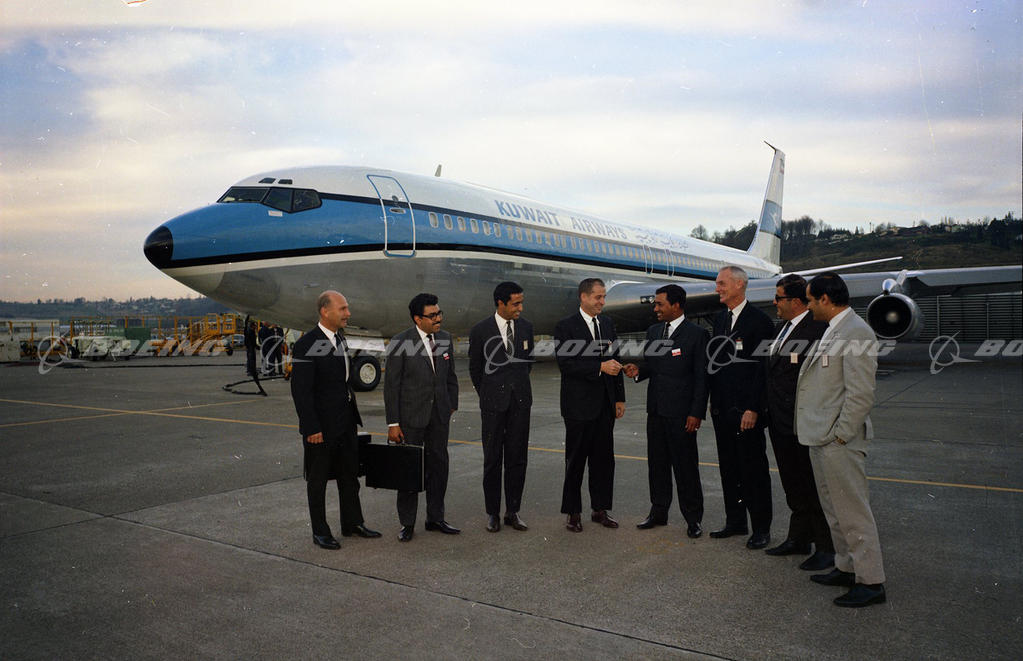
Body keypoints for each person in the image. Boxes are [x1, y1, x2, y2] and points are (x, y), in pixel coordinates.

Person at [797, 272, 886, 607]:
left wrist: (841, 435)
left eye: (810, 300)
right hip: (822, 436)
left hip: (839, 440)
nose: (807, 306)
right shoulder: (834, 329)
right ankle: (847, 567)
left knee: (853, 511)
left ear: (825, 299)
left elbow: (860, 394)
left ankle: (871, 581)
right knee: (835, 510)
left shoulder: (856, 331)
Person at [290, 291, 380, 550]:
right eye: (342, 309)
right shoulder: (307, 343)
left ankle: (353, 523)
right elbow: (301, 392)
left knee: (349, 476)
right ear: (325, 311)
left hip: (345, 422)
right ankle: (320, 532)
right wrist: (311, 427)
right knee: (318, 481)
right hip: (320, 427)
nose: (348, 313)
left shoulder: (340, 339)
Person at [623, 284, 709, 538]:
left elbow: (702, 377)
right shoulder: (654, 331)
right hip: (656, 410)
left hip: (682, 414)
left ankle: (693, 518)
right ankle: (658, 512)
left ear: (677, 305)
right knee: (657, 465)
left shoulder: (697, 334)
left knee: (685, 468)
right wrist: (638, 371)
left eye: (660, 304)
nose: (655, 308)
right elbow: (653, 365)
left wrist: (696, 413)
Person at [763, 274, 835, 570]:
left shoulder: (818, 329)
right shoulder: (783, 328)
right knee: (793, 483)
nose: (774, 302)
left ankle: (826, 547)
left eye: (778, 298)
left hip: (803, 422)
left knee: (812, 485)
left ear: (795, 301)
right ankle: (799, 538)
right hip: (780, 422)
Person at [707, 265, 775, 549]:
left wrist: (753, 408)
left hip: (747, 412)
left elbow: (762, 370)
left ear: (739, 284)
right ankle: (735, 521)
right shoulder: (720, 319)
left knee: (753, 470)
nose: (717, 288)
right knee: (729, 469)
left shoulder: (760, 322)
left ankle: (761, 528)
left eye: (722, 283)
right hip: (723, 410)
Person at [384, 293, 460, 542]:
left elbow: (450, 376)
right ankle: (407, 523)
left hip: (439, 416)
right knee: (409, 471)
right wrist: (393, 423)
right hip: (411, 418)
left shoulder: (445, 338)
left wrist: (451, 404)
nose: (438, 319)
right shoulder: (401, 341)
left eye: (439, 313)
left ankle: (435, 518)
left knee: (439, 467)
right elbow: (391, 386)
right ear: (417, 319)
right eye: (432, 315)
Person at [554, 278, 626, 532]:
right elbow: (566, 364)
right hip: (578, 407)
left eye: (604, 297)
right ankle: (573, 512)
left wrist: (619, 398)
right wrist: (599, 367)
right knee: (575, 462)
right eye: (598, 297)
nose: (602, 302)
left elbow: (615, 360)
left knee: (604, 461)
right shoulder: (565, 327)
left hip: (605, 406)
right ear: (583, 297)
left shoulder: (606, 324)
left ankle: (600, 509)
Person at [468, 282, 534, 533]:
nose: (520, 308)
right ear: (500, 303)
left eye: (521, 302)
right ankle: (493, 513)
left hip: (520, 403)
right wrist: (490, 394)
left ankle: (512, 511)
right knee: (493, 459)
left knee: (517, 459)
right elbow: (476, 369)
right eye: (516, 303)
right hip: (493, 406)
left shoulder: (526, 327)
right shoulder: (480, 330)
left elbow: (527, 364)